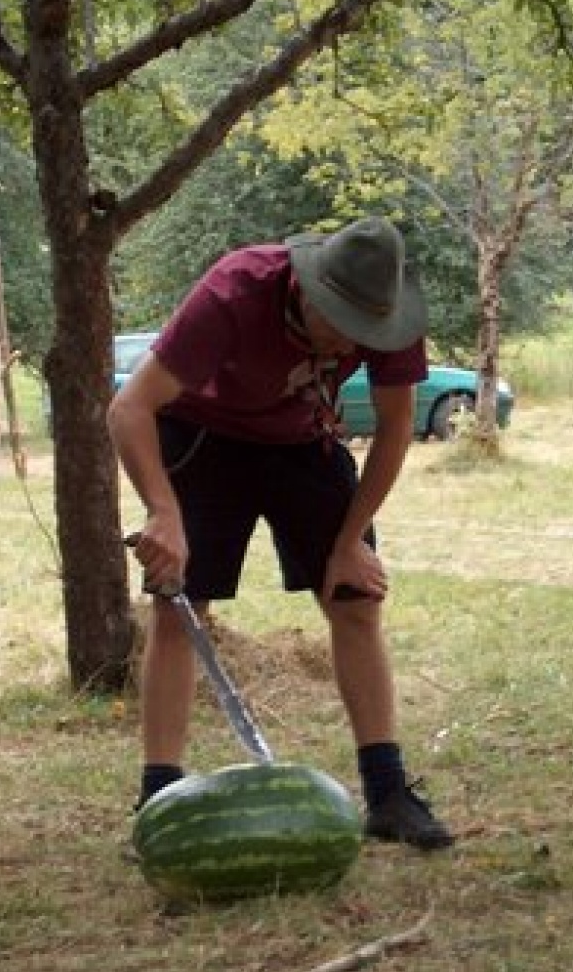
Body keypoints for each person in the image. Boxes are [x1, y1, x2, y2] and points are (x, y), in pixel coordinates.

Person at [107, 216, 453, 850]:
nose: (353, 341)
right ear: (305, 289)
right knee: (181, 608)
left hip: (304, 443)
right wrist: (164, 512)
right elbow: (130, 407)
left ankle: (387, 793)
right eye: (340, 325)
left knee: (357, 598)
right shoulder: (235, 292)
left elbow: (396, 425)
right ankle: (157, 800)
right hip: (203, 437)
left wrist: (350, 541)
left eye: (364, 331)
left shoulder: (389, 309)